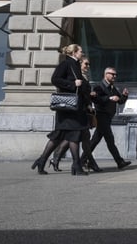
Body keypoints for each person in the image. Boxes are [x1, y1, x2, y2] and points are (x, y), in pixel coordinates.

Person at [31, 44, 91, 176]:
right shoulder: (66, 64)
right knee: (73, 134)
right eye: (80, 51)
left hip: (75, 107)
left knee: (59, 135)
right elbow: (55, 79)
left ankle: (42, 161)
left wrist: (86, 100)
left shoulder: (75, 64)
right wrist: (72, 84)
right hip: (68, 108)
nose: (82, 53)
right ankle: (76, 166)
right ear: (74, 52)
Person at [49, 56, 101, 172]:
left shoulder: (84, 77)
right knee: (75, 138)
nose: (88, 67)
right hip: (76, 110)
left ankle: (59, 160)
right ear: (80, 64)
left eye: (88, 64)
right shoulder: (75, 75)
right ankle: (85, 163)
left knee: (81, 139)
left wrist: (90, 99)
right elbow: (59, 82)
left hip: (83, 111)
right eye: (86, 64)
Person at [87, 67, 132, 169]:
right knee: (110, 140)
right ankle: (119, 161)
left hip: (108, 117)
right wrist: (109, 98)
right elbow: (96, 99)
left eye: (115, 75)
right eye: (112, 74)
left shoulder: (112, 87)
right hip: (101, 116)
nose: (114, 76)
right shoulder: (99, 86)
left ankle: (83, 160)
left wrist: (124, 96)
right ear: (106, 74)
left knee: (95, 140)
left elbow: (119, 101)